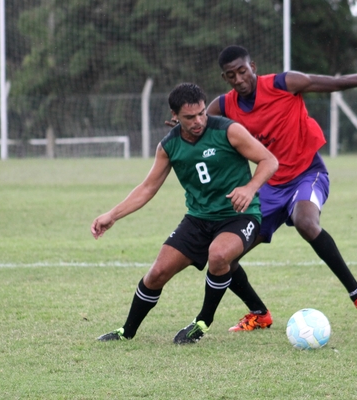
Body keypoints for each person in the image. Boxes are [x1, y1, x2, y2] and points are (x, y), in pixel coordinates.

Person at [204, 45, 357, 333]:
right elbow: (197, 122)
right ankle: (259, 313)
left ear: (254, 66)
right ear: (225, 78)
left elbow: (334, 83)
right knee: (226, 255)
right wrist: (179, 123)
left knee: (305, 221)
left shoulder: (284, 83)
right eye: (230, 75)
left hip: (307, 174)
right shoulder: (224, 106)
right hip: (269, 186)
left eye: (242, 71)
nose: (238, 79)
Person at [92, 83, 278, 344]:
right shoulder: (169, 146)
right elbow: (147, 188)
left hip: (240, 215)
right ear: (174, 116)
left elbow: (269, 160)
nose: (199, 120)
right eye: (190, 117)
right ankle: (127, 332)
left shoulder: (228, 131)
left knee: (219, 255)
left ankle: (202, 323)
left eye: (202, 113)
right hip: (198, 219)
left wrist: (249, 188)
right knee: (157, 273)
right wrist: (112, 215)